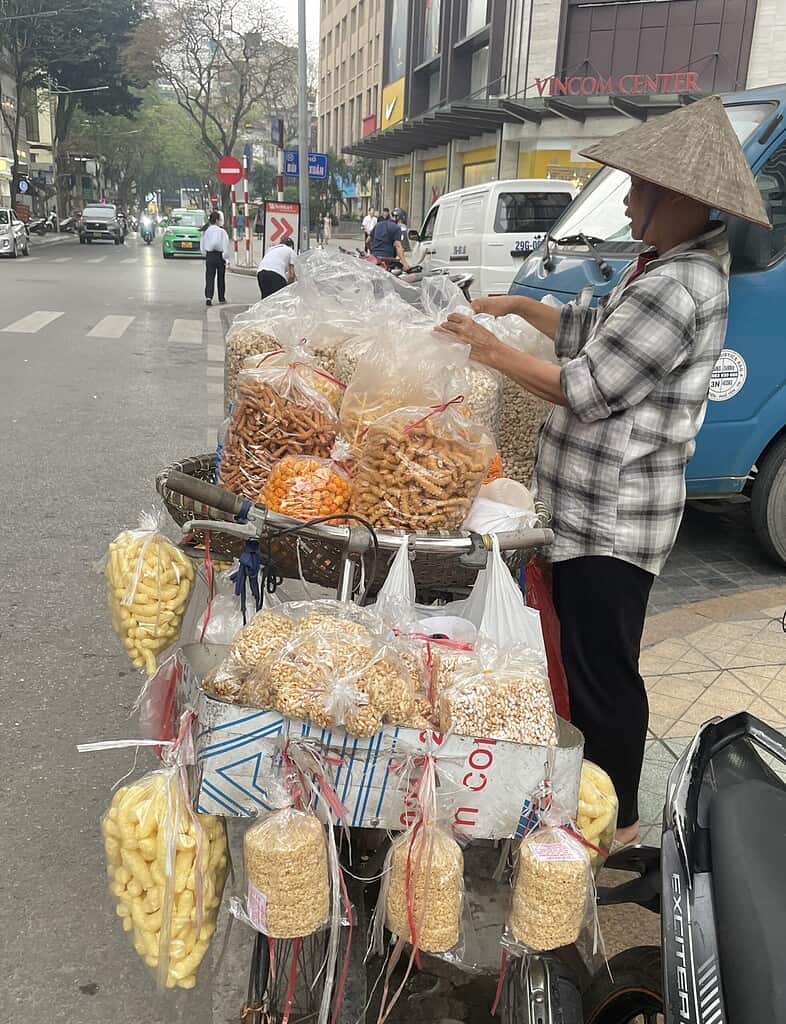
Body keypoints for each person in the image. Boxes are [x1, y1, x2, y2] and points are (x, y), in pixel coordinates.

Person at [438, 95, 769, 846]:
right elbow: (591, 331)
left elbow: (586, 387)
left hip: (613, 523)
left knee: (602, 677)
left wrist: (487, 350)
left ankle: (614, 826)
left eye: (640, 187)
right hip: (593, 511)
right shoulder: (660, 268)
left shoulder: (680, 287)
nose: (627, 198)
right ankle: (588, 804)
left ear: (683, 198)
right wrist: (521, 303)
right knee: (588, 663)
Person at [200, 210, 231, 306]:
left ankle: (208, 297)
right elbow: (225, 245)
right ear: (217, 220)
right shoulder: (222, 232)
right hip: (219, 256)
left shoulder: (206, 231)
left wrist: (205, 254)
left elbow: (202, 244)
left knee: (209, 277)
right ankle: (221, 298)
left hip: (210, 256)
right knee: (221, 278)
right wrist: (225, 257)